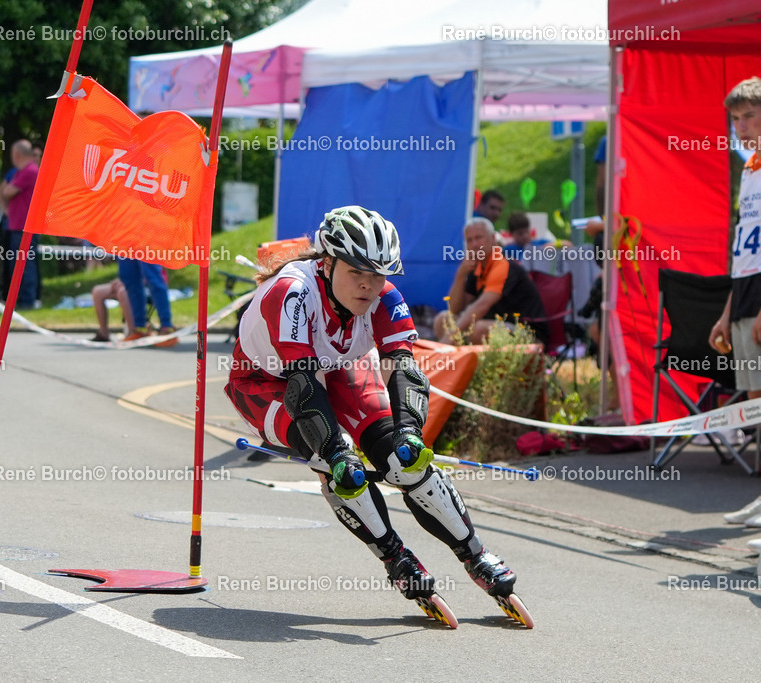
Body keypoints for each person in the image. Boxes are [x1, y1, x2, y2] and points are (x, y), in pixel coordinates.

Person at [224, 206, 522, 618]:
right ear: (327, 264)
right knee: (339, 464)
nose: (368, 285)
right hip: (267, 380)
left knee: (406, 461)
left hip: (338, 367)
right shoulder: (292, 293)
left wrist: (410, 433)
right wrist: (335, 452)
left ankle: (475, 554)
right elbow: (303, 387)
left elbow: (405, 371)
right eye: (356, 273)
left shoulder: (385, 297)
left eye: (378, 274)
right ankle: (395, 556)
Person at [710, 77, 761, 541]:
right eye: (735, 119)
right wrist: (728, 312)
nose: (741, 126)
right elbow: (744, 248)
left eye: (749, 116)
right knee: (753, 403)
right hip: (744, 291)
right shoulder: (749, 169)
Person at [434, 217, 548, 346]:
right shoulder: (476, 266)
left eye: (478, 237)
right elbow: (454, 309)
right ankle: (459, 358)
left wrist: (450, 336)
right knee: (443, 320)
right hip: (495, 324)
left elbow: (481, 306)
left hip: (529, 334)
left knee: (479, 330)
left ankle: (463, 356)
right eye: (469, 240)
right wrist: (460, 274)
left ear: (493, 238)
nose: (474, 244)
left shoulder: (503, 264)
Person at [0, 139, 40, 309]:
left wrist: (4, 195)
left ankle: (27, 301)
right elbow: (4, 191)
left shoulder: (29, 171)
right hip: (17, 226)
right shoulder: (22, 172)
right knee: (17, 265)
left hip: (24, 227)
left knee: (25, 265)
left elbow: (6, 191)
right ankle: (22, 300)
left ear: (16, 154)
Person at [117, 258, 177, 347]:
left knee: (153, 276)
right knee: (129, 278)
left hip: (147, 248)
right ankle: (140, 329)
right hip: (126, 249)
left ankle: (167, 328)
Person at [91, 278, 134, 342]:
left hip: (141, 285)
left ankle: (132, 332)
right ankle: (103, 333)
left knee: (122, 292)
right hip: (128, 282)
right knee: (97, 291)